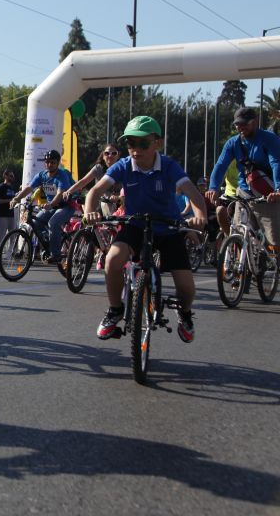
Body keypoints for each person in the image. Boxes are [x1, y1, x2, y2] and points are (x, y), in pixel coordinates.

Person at [83, 116, 206, 343]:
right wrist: (90, 211)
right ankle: (115, 309)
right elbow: (95, 191)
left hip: (168, 228)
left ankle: (185, 314)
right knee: (112, 260)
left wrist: (199, 216)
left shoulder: (169, 166)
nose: (135, 150)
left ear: (157, 143)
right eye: (130, 143)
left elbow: (193, 193)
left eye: (143, 144)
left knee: (186, 287)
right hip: (136, 224)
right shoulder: (123, 165)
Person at [206, 107, 280, 248]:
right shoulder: (233, 143)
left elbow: (276, 163)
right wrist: (213, 188)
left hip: (268, 194)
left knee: (275, 242)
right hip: (244, 193)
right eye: (237, 124)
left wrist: (278, 189)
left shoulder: (269, 139)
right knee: (239, 236)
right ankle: (240, 265)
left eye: (244, 123)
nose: (240, 127)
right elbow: (221, 165)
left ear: (255, 122)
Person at [9, 150, 75, 263]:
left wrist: (50, 204)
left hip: (65, 206)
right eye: (47, 162)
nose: (50, 165)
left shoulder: (62, 175)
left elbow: (60, 193)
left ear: (58, 163)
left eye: (53, 162)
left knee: (53, 223)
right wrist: (17, 198)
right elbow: (29, 188)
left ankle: (56, 254)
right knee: (36, 223)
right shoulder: (41, 175)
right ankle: (50, 240)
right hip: (52, 207)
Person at [63, 143, 122, 217]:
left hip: (120, 206)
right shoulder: (98, 168)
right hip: (100, 204)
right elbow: (83, 181)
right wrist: (69, 191)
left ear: (118, 155)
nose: (110, 156)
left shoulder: (122, 168)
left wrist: (119, 196)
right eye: (107, 153)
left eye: (114, 153)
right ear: (103, 156)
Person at [0, 170, 17, 256]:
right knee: (2, 234)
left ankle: (10, 252)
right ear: (5, 176)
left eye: (13, 176)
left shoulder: (12, 187)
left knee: (12, 234)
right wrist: (9, 201)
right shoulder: (0, 187)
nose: (12, 177)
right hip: (2, 214)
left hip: (11, 214)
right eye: (10, 175)